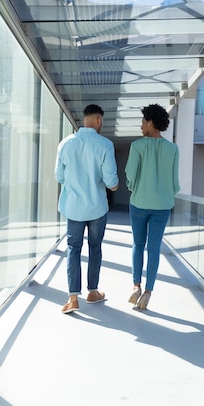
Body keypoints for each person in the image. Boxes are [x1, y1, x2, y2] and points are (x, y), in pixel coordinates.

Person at [55, 104, 119, 314]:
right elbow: (111, 180)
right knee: (95, 247)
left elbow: (60, 176)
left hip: (74, 207)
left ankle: (73, 298)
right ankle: (93, 292)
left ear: (85, 119)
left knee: (73, 249)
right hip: (97, 208)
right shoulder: (105, 144)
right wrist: (115, 185)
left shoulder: (66, 143)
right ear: (98, 120)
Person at [124, 104, 180, 310]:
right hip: (162, 205)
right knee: (154, 248)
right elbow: (175, 182)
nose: (141, 126)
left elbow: (131, 174)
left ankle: (135, 286)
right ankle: (148, 292)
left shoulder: (137, 146)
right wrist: (166, 194)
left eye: (142, 122)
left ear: (150, 122)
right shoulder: (173, 149)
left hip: (139, 202)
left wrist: (134, 188)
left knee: (138, 244)